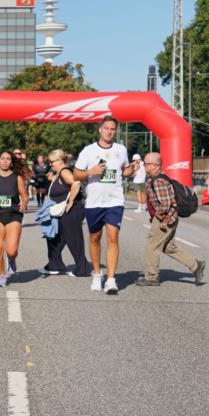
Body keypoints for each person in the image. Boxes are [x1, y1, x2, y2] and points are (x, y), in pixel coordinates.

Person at [72, 115, 140, 295]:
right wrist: (90, 172)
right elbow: (76, 175)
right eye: (106, 128)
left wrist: (131, 169)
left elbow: (123, 171)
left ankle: (111, 279)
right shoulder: (88, 150)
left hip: (114, 202)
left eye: (112, 129)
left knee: (113, 238)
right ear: (100, 130)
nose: (109, 131)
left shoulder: (121, 149)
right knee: (95, 238)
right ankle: (96, 273)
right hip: (94, 202)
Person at [135, 152, 206, 287]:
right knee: (168, 248)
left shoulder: (159, 181)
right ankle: (196, 266)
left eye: (147, 163)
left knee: (152, 246)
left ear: (156, 165)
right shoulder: (155, 178)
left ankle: (151, 277)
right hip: (169, 218)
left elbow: (166, 204)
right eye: (144, 163)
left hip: (164, 219)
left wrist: (161, 220)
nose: (144, 166)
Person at [0, 150, 27, 287]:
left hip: (13, 215)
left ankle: (12, 260)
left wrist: (23, 203)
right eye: (3, 158)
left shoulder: (17, 178)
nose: (5, 161)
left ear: (11, 162)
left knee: (11, 250)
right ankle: (2, 275)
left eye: (8, 159)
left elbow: (24, 195)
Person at [44, 149, 91, 276]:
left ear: (60, 161)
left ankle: (81, 269)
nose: (50, 164)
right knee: (55, 238)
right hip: (63, 212)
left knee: (74, 240)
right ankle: (55, 265)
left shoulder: (65, 171)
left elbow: (75, 181)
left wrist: (70, 200)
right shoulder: (60, 173)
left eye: (52, 161)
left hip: (71, 210)